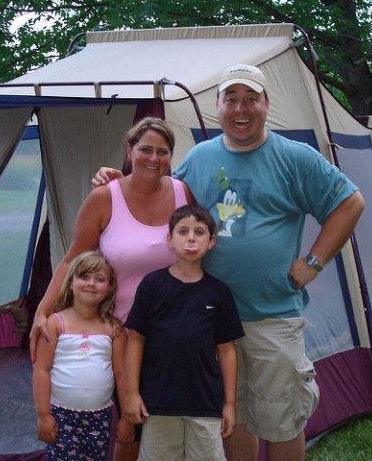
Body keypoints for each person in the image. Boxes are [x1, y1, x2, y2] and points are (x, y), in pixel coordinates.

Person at [92, 64, 366, 461]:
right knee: (231, 418)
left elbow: (350, 202)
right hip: (208, 321)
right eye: (231, 99)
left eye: (251, 99)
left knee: (283, 419)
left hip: (271, 316)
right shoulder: (201, 158)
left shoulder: (295, 158)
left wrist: (313, 262)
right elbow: (160, 197)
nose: (241, 109)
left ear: (266, 104)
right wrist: (118, 181)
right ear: (217, 106)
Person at [30, 117, 193, 460]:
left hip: (172, 333)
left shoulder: (182, 193)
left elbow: (197, 250)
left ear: (171, 157)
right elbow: (72, 261)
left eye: (162, 152)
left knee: (167, 424)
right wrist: (43, 312)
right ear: (129, 150)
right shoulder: (104, 198)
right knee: (128, 426)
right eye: (145, 149)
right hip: (120, 334)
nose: (153, 158)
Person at [124, 204, 244, 461]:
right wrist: (132, 393)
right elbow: (135, 340)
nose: (191, 237)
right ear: (170, 239)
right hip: (158, 403)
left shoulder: (219, 293)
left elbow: (226, 350)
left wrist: (229, 404)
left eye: (199, 232)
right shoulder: (152, 286)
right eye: (183, 231)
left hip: (205, 403)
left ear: (211, 242)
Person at [32, 250, 126, 461]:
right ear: (71, 282)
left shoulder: (114, 329)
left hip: (100, 416)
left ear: (109, 288)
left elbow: (121, 374)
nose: (91, 283)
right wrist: (43, 415)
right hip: (61, 415)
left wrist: (126, 417)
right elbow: (41, 370)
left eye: (99, 279)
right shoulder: (55, 324)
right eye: (84, 276)